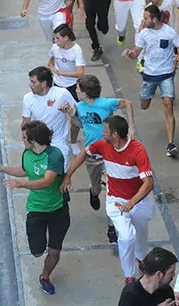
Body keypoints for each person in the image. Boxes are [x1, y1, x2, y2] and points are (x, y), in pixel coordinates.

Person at [62, 115, 155, 284]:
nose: (101, 132)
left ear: (114, 134)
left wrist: (132, 202)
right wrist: (69, 175)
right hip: (116, 202)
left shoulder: (138, 151)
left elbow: (148, 183)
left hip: (139, 201)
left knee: (141, 232)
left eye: (104, 130)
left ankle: (141, 257)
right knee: (126, 237)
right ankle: (129, 275)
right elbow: (84, 152)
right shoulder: (102, 145)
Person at [0, 121, 69, 295]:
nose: (22, 139)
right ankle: (41, 246)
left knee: (54, 251)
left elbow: (47, 182)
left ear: (34, 140)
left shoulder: (54, 155)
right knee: (38, 252)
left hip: (58, 209)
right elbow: (24, 170)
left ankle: (45, 277)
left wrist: (21, 185)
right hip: (36, 209)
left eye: (24, 137)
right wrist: (0, 167)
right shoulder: (27, 153)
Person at [74, 74, 136, 244]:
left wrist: (131, 126)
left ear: (86, 92)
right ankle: (93, 192)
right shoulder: (79, 106)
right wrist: (70, 114)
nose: (76, 91)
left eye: (78, 89)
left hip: (109, 155)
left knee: (112, 190)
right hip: (92, 155)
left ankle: (111, 227)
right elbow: (81, 124)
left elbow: (128, 103)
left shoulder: (106, 103)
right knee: (96, 186)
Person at [122, 5, 179, 157]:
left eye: (146, 18)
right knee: (144, 105)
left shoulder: (170, 32)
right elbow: (136, 52)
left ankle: (170, 144)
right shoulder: (143, 34)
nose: (143, 21)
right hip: (150, 75)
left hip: (166, 75)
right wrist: (130, 53)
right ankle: (148, 97)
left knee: (169, 106)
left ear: (154, 19)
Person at [22, 67, 77, 170]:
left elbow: (77, 112)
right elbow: (26, 123)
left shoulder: (62, 94)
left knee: (60, 180)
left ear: (43, 83)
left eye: (33, 82)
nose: (30, 85)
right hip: (39, 146)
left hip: (59, 144)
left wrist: (69, 110)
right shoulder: (27, 99)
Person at [47, 24, 85, 154]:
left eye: (57, 38)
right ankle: (56, 140)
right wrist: (51, 67)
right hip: (57, 85)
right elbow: (51, 59)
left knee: (75, 116)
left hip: (73, 86)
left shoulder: (77, 50)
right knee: (55, 113)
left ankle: (73, 142)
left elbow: (80, 72)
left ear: (66, 38)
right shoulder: (55, 48)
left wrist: (60, 72)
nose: (55, 41)